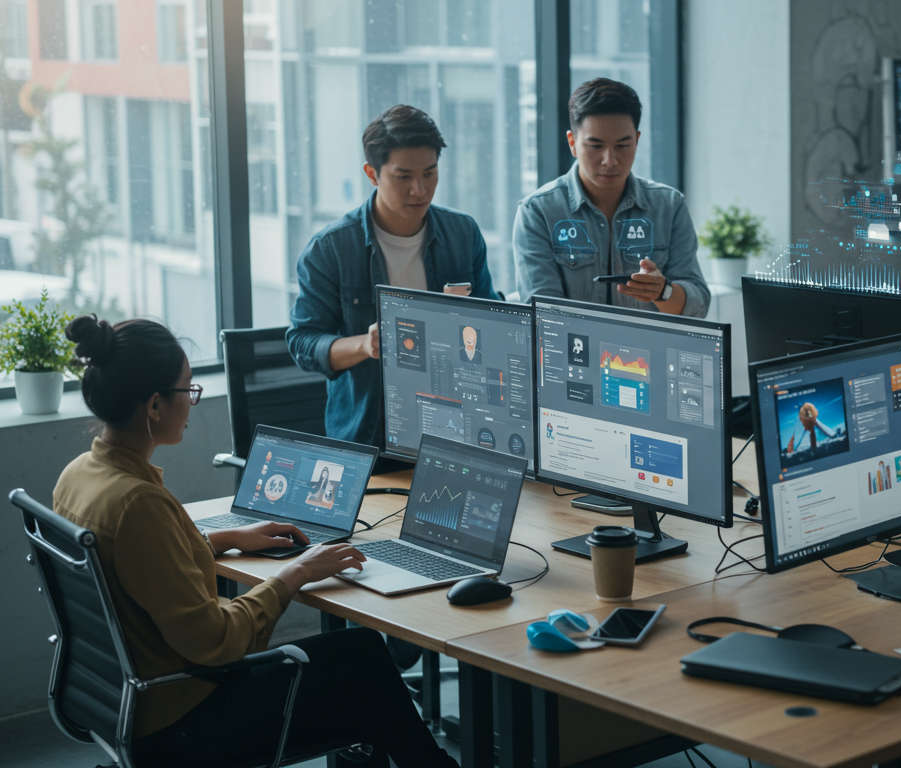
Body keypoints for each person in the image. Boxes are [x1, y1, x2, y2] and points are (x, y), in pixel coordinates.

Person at [53, 315, 459, 767]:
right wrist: (294, 575)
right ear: (153, 407)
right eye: (187, 390)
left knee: (356, 659)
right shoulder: (138, 503)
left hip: (123, 703)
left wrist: (225, 538)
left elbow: (141, 562)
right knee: (362, 659)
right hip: (183, 719)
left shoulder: (80, 475)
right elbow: (217, 641)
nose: (192, 402)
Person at [288, 104, 496, 446]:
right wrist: (365, 344)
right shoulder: (331, 249)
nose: (420, 189)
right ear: (372, 174)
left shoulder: (462, 234)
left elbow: (492, 320)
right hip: (371, 436)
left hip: (458, 427)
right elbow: (303, 343)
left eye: (429, 173)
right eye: (404, 177)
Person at [514, 78, 709, 317]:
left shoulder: (669, 206)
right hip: (574, 342)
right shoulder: (538, 212)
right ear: (572, 143)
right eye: (596, 146)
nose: (610, 160)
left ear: (637, 141)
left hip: (647, 342)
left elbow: (698, 305)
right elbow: (543, 314)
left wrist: (663, 291)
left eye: (622, 145)